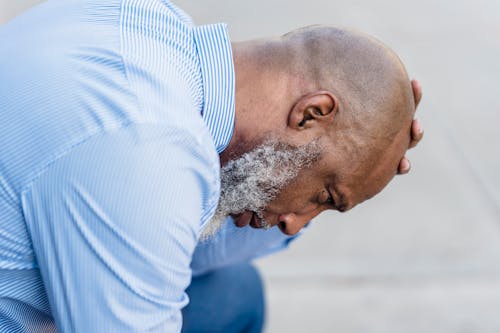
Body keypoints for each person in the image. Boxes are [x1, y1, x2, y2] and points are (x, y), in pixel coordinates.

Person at [0, 0, 423, 332]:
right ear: (311, 114)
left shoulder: (146, 25)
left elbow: (179, 250)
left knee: (236, 293)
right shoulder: (147, 150)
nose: (295, 224)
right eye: (323, 196)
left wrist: (370, 156)